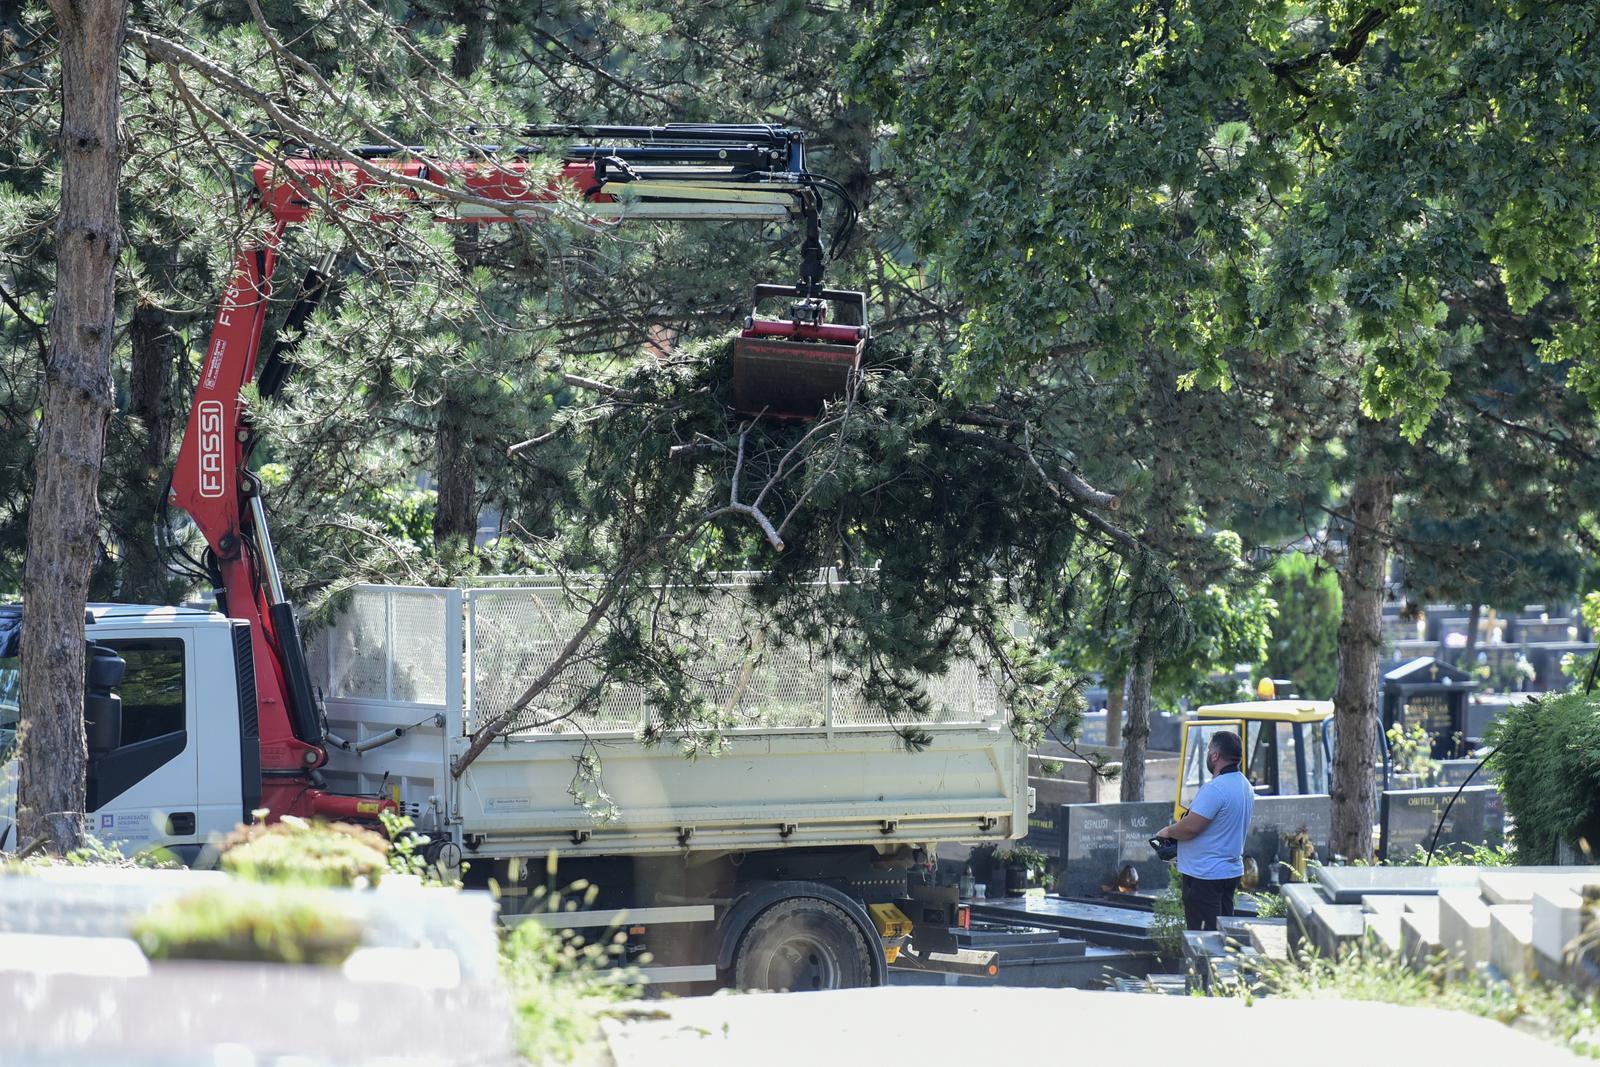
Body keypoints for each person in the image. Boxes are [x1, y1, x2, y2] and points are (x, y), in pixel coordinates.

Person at [1155, 730, 1253, 930]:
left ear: (1215, 755)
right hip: (1228, 872)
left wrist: (1167, 832)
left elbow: (1191, 827)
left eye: (1209, 750)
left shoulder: (1215, 788)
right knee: (1224, 932)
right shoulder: (1244, 785)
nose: (1208, 754)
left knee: (1204, 936)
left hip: (1205, 875)